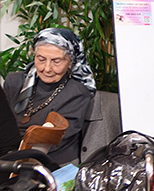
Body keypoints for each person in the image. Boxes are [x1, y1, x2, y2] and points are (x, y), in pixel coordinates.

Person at [2, 29, 96, 165]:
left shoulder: (77, 93)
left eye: (56, 61)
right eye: (41, 59)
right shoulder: (14, 82)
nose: (47, 68)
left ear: (70, 61)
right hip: (9, 157)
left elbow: (51, 139)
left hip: (51, 162)